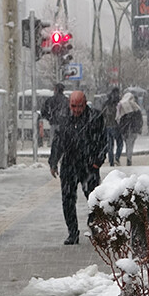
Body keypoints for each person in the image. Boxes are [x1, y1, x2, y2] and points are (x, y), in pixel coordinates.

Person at [49, 91, 106, 245]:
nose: (76, 110)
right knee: (67, 200)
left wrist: (97, 162)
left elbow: (103, 141)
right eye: (73, 106)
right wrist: (53, 162)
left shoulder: (95, 117)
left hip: (89, 165)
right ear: (70, 105)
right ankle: (72, 232)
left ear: (85, 103)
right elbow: (58, 141)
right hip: (69, 165)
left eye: (79, 106)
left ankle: (94, 225)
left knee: (94, 199)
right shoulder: (65, 119)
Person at [116, 91, 143, 166]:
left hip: (125, 130)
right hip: (133, 130)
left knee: (128, 144)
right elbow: (139, 119)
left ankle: (128, 158)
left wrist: (121, 128)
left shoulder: (122, 106)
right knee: (131, 144)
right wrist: (138, 128)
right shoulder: (136, 107)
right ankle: (129, 158)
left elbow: (119, 118)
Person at [101, 87, 122, 166]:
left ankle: (111, 161)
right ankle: (117, 157)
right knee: (120, 143)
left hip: (107, 126)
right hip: (116, 125)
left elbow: (102, 114)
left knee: (110, 144)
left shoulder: (106, 103)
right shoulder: (118, 102)